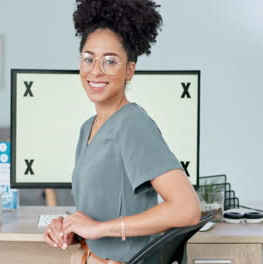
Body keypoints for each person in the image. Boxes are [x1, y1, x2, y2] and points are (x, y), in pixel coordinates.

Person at [43, 0, 201, 263]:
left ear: (130, 70)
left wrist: (99, 229)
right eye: (88, 58)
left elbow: (187, 209)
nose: (96, 70)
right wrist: (71, 227)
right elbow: (103, 207)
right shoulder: (88, 129)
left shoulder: (132, 124)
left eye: (110, 61)